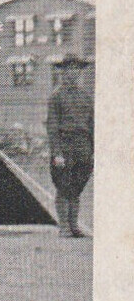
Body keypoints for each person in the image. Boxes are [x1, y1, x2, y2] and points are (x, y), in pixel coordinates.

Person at [46, 54, 94, 238]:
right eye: (68, 69)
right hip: (65, 146)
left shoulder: (86, 97)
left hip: (83, 146)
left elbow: (92, 124)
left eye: (76, 69)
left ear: (80, 72)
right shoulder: (56, 97)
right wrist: (57, 153)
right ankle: (64, 227)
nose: (72, 72)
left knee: (77, 187)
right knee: (63, 186)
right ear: (62, 72)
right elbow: (52, 126)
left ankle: (74, 226)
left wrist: (94, 150)